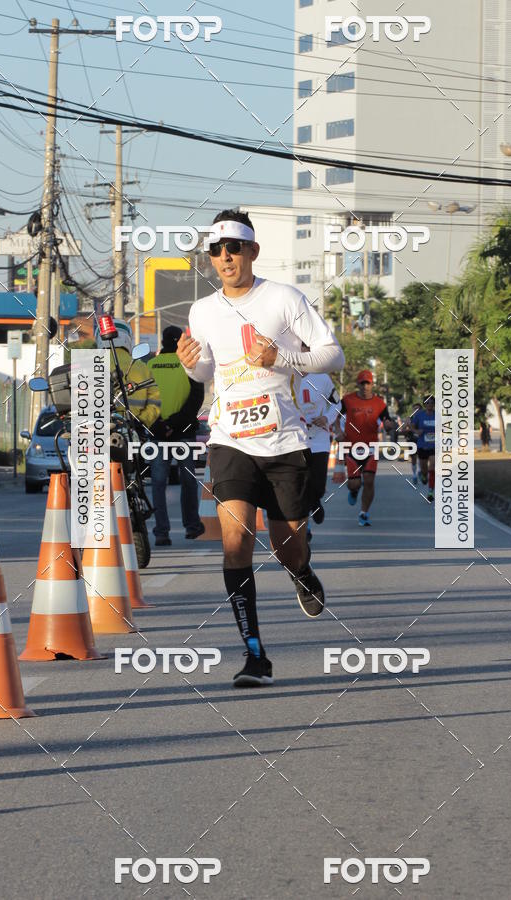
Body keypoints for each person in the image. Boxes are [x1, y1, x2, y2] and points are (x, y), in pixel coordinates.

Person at [176, 208, 344, 687]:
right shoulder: (202, 311)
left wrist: (282, 356)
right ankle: (254, 655)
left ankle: (301, 572)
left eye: (233, 248)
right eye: (216, 250)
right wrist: (189, 365)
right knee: (235, 541)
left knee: (288, 546)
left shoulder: (284, 298)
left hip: (285, 440)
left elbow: (333, 355)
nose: (225, 257)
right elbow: (206, 372)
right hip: (230, 439)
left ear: (252, 250)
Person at [147, 325, 205, 546]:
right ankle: (192, 526)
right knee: (188, 480)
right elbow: (195, 399)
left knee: (158, 483)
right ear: (181, 341)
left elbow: (143, 399)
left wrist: (159, 425)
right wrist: (176, 423)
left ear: (162, 341)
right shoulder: (190, 365)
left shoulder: (151, 365)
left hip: (158, 433)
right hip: (184, 433)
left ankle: (162, 532)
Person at [336, 370, 395, 527]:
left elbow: (387, 421)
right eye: (362, 383)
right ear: (358, 384)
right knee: (354, 484)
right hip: (352, 447)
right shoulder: (347, 400)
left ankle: (364, 513)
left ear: (372, 384)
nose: (365, 386)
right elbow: (334, 415)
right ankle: (354, 491)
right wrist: (338, 431)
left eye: (367, 383)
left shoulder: (379, 403)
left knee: (369, 480)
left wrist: (389, 425)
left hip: (371, 447)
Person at [95, 317, 161, 429]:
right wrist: (141, 422)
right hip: (132, 430)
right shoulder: (142, 367)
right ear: (127, 338)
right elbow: (155, 401)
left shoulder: (91, 365)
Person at [298, 370, 341, 537]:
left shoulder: (322, 378)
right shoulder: (285, 376)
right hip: (295, 440)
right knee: (300, 486)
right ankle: (305, 528)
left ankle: (315, 500)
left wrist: (326, 418)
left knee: (317, 485)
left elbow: (337, 404)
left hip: (319, 440)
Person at [411, 395, 436, 501]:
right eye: (427, 403)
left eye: (432, 402)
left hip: (434, 446)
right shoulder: (419, 415)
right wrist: (417, 431)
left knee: (432, 468)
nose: (430, 404)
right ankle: (424, 476)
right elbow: (412, 426)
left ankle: (430, 492)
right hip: (422, 445)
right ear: (424, 404)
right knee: (425, 470)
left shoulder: (438, 415)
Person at [402, 402, 422, 484]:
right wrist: (408, 429)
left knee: (421, 456)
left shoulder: (423, 418)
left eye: (418, 409)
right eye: (415, 409)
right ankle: (414, 474)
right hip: (412, 439)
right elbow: (403, 429)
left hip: (421, 440)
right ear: (413, 410)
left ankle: (420, 470)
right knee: (413, 458)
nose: (416, 410)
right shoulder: (409, 418)